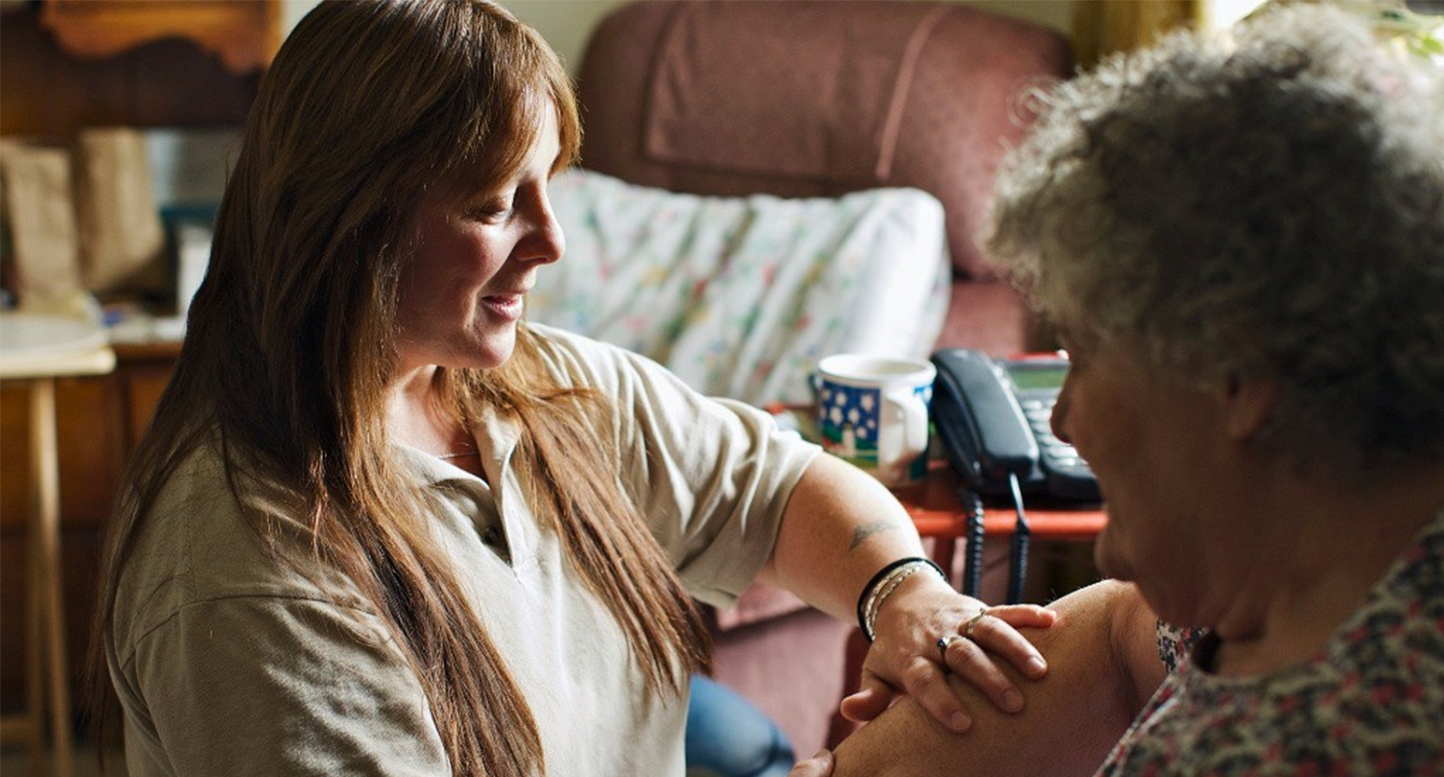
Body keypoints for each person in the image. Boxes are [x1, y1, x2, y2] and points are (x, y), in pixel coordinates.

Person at [88, 2, 1062, 775]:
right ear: (346, 223)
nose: (553, 242)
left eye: (550, 183)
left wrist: (905, 596)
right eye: (493, 204)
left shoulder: (525, 383)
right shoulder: (250, 591)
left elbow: (771, 484)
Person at [790, 4, 1444, 776]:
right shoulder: (1283, 589)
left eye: (1090, 354)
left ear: (1235, 376)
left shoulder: (1303, 742)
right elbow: (1122, 631)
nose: (1063, 420)